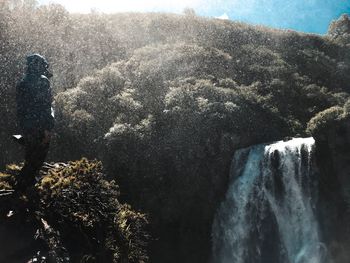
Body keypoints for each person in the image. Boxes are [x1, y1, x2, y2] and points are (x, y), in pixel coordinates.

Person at [16, 54, 55, 190]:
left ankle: (24, 185)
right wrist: (48, 128)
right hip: (39, 125)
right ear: (39, 66)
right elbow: (46, 106)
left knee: (30, 155)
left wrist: (24, 127)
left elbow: (21, 109)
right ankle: (25, 186)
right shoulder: (42, 81)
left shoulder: (22, 82)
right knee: (38, 157)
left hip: (27, 126)